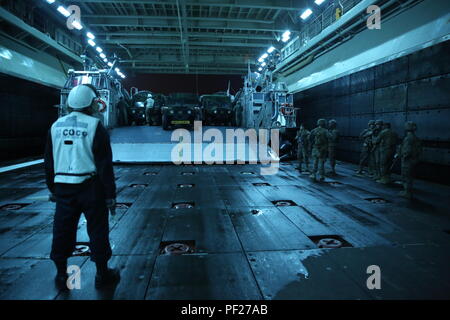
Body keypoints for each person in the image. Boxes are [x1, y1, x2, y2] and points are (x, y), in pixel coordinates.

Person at [44, 84, 120, 290]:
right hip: (91, 186)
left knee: (62, 229)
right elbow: (104, 165)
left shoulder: (55, 126)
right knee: (97, 229)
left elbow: (49, 162)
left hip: (63, 187)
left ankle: (61, 275)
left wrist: (52, 188)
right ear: (92, 103)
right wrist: (110, 195)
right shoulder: (95, 126)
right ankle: (103, 274)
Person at [396, 121, 422, 199]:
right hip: (413, 159)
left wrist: (401, 155)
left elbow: (407, 150)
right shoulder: (415, 138)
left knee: (405, 175)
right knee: (410, 176)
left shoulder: (408, 138)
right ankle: (408, 191)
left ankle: (407, 192)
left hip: (407, 160)